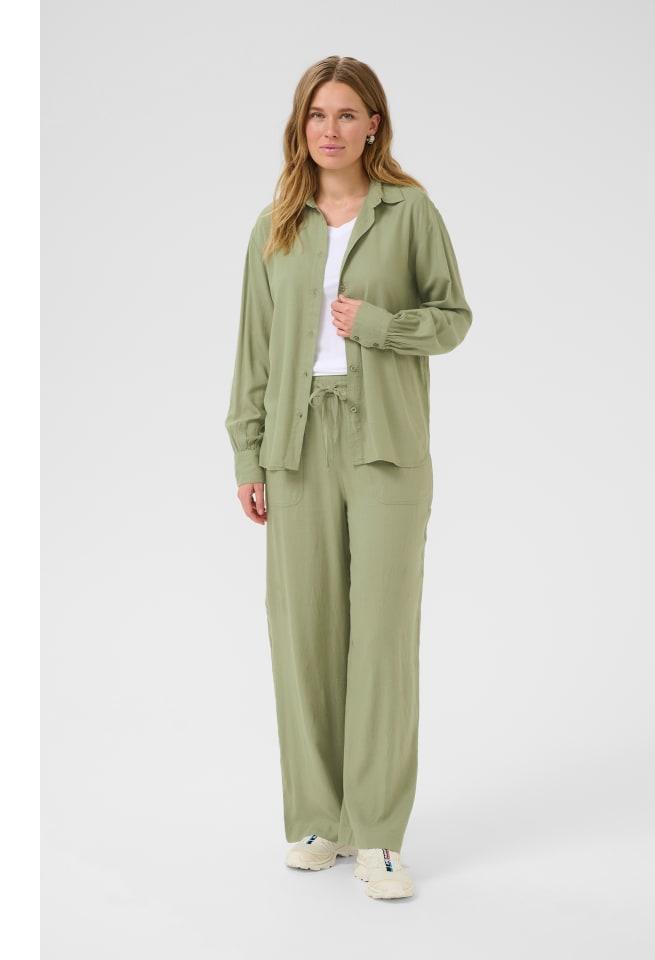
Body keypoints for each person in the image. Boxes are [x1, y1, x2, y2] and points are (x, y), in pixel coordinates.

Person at [225, 55, 473, 900]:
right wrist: (248, 454)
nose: (329, 129)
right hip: (293, 446)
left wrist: (379, 326)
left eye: (345, 114)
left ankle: (379, 834)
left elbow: (452, 318)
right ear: (300, 126)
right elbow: (253, 353)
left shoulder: (410, 211)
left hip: (386, 442)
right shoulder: (274, 227)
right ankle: (320, 818)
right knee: (304, 634)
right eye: (316, 114)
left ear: (374, 124)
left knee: (383, 637)